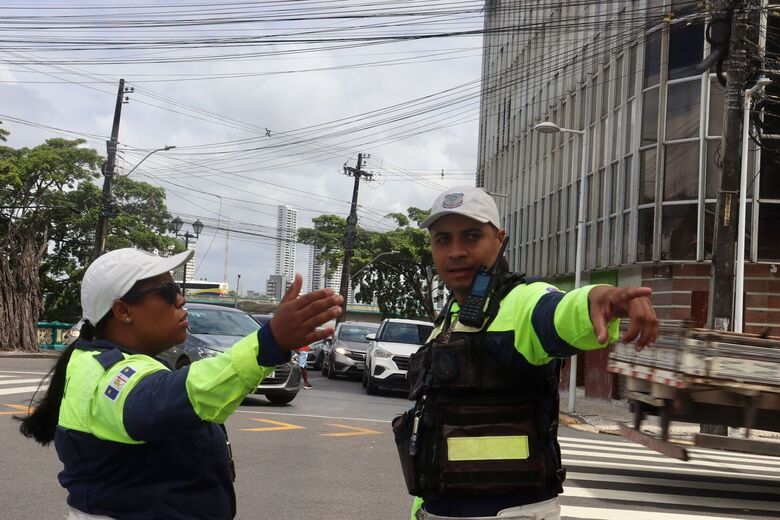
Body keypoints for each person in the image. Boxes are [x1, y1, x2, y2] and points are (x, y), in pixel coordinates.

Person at [393, 186, 658, 520]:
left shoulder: (521, 302)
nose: (456, 251)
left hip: (510, 512)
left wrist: (601, 296)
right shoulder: (451, 318)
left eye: (471, 236)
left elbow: (558, 311)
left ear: (499, 239)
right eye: (443, 239)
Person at [18, 248, 342, 520]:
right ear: (122, 310)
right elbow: (172, 397)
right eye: (168, 292)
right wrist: (267, 343)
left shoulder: (95, 360)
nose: (181, 300)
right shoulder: (109, 374)